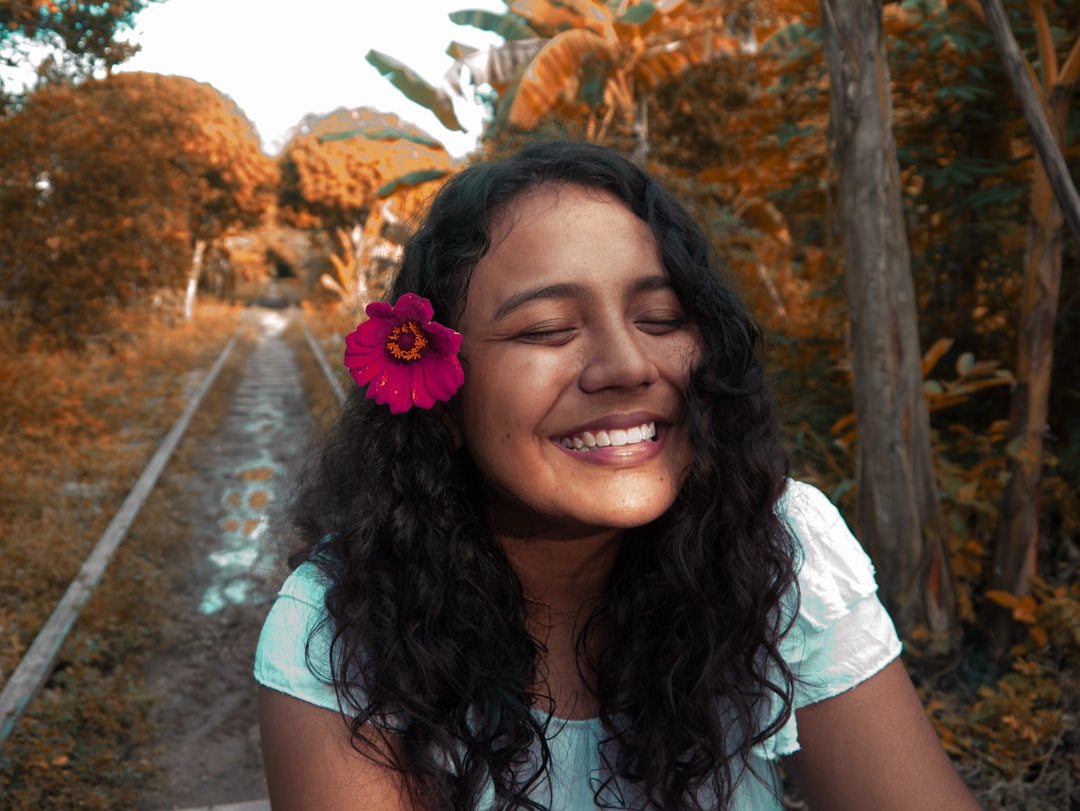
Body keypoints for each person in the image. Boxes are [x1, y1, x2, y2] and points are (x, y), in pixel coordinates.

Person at [254, 141, 981, 810]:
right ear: (442, 398)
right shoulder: (342, 627)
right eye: (546, 330)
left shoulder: (783, 549)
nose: (628, 365)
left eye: (661, 317)